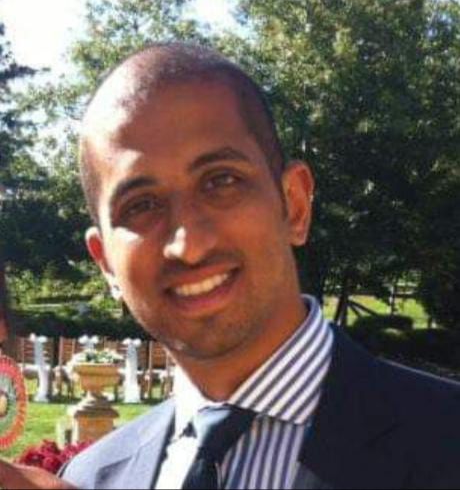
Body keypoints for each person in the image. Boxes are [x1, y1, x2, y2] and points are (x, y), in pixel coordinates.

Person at [1, 43, 460, 490]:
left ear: (295, 205)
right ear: (105, 263)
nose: (188, 244)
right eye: (141, 205)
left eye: (221, 181)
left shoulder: (446, 441)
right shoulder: (92, 478)